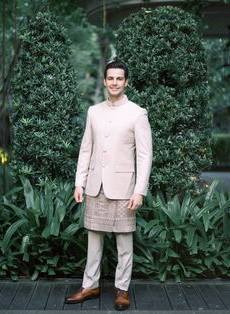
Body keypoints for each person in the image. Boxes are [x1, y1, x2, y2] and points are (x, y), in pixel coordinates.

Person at [65, 59, 152, 311]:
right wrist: (79, 182)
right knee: (94, 240)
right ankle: (90, 285)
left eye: (119, 79)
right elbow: (86, 149)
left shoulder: (137, 113)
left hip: (125, 189)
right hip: (95, 186)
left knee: (124, 242)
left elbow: (145, 155)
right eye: (110, 78)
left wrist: (139, 189)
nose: (114, 82)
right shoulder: (94, 111)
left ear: (126, 82)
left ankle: (122, 290)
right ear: (104, 81)